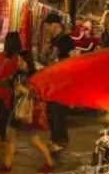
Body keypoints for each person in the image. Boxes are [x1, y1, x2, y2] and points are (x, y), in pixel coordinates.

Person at [0, 51, 55, 173]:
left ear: (28, 61)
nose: (19, 63)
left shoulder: (35, 75)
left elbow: (38, 95)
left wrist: (24, 90)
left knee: (34, 140)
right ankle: (7, 165)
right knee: (10, 137)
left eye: (22, 60)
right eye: (19, 60)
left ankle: (50, 163)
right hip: (16, 109)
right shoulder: (17, 73)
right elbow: (9, 83)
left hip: (28, 112)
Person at [44, 13, 73, 151]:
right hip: (52, 80)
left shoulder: (66, 40)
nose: (47, 29)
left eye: (48, 26)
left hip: (62, 81)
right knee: (53, 111)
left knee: (58, 111)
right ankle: (56, 138)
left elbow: (71, 61)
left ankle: (60, 140)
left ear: (54, 25)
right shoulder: (54, 40)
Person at [0, 32, 22, 142]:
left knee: (2, 117)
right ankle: (12, 140)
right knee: (13, 118)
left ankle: (2, 138)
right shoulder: (19, 60)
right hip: (13, 92)